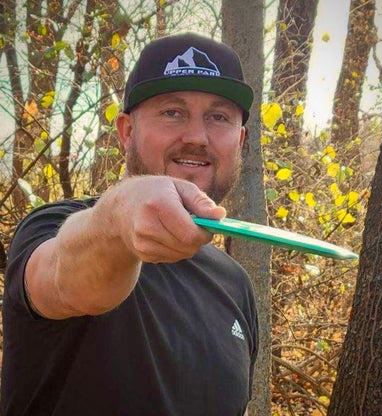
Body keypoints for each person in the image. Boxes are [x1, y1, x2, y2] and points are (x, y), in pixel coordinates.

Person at [1, 33, 258, 416]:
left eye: (218, 117)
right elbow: (63, 277)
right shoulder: (56, 226)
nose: (196, 137)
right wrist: (120, 214)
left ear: (240, 141)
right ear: (126, 131)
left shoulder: (236, 285)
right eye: (172, 112)